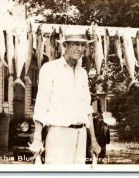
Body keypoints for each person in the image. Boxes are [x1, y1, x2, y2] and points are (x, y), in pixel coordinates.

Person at [29, 33, 101, 164]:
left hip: (81, 134)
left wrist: (94, 141)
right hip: (59, 134)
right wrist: (37, 138)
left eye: (83, 45)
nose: (80, 49)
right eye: (75, 44)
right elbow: (41, 104)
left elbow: (87, 108)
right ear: (65, 45)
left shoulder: (83, 73)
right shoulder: (49, 68)